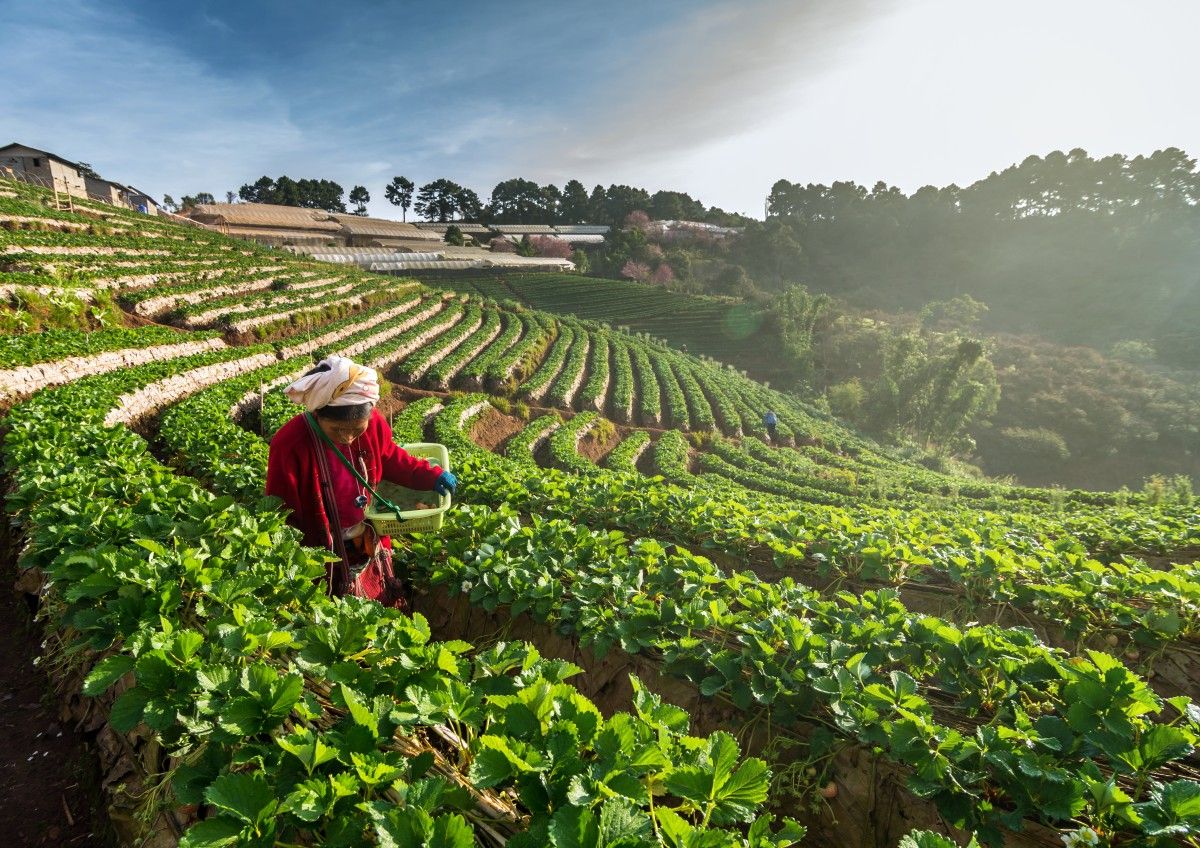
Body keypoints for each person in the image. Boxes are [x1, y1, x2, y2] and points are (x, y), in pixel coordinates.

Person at [266, 355, 457, 606]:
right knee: (332, 605)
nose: (347, 437)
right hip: (324, 547)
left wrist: (430, 475)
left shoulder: (375, 425)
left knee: (379, 598)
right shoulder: (290, 443)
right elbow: (282, 509)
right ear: (318, 413)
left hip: (367, 534)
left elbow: (390, 458)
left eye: (357, 429)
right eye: (337, 429)